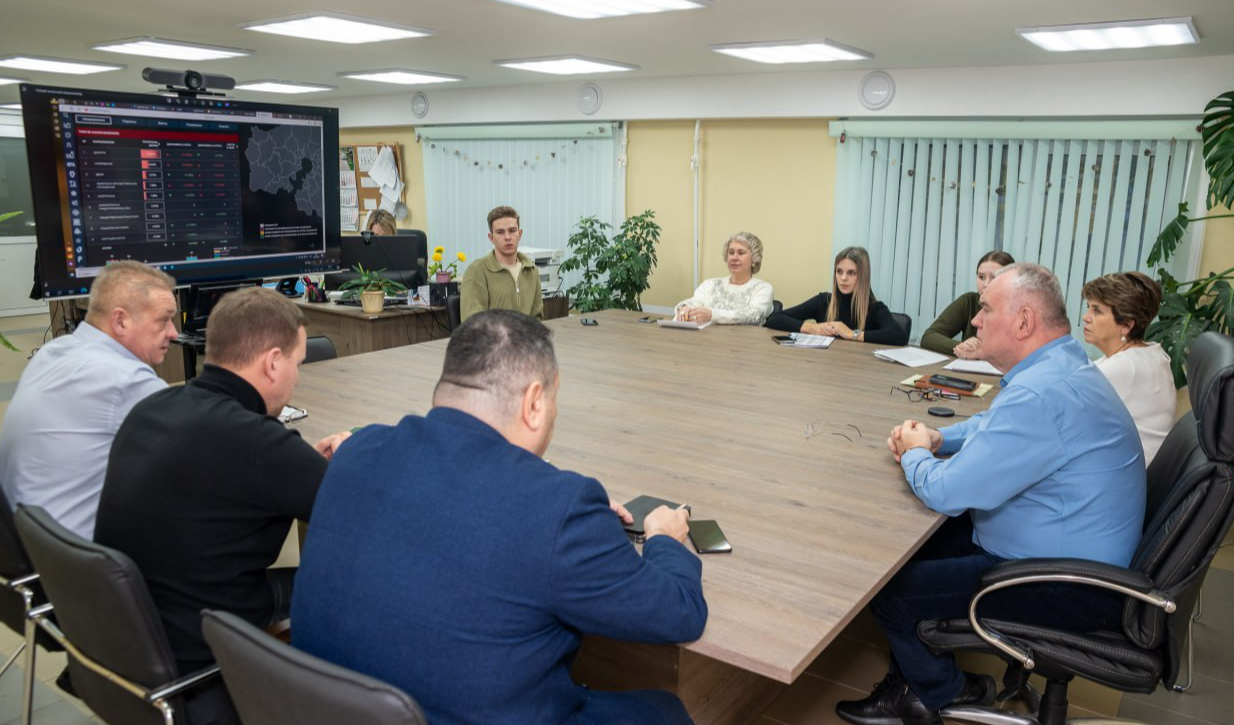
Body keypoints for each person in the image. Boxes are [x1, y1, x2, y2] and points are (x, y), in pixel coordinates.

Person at [293, 310, 706, 725]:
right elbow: (680, 612)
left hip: (324, 710)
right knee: (664, 711)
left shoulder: (357, 450)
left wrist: (561, 508)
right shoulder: (560, 509)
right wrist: (663, 538)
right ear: (533, 403)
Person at [836, 264, 1145, 725]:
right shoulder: (1060, 364)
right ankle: (918, 681)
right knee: (898, 557)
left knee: (889, 591)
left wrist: (917, 454)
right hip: (1062, 549)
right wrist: (942, 438)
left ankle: (943, 692)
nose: (976, 320)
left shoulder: (1043, 395)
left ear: (1023, 322)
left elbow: (946, 492)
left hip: (1064, 582)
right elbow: (993, 423)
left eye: (985, 308)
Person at [94, 287, 351, 678]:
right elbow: (364, 509)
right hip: (200, 652)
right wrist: (351, 458)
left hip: (125, 645)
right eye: (298, 363)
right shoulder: (260, 443)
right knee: (350, 586)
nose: (297, 378)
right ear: (273, 363)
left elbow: (237, 476)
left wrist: (299, 465)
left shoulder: (153, 407)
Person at [0, 261, 177, 540]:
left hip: (29, 542)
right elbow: (194, 456)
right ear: (120, 321)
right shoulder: (126, 379)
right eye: (163, 319)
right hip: (80, 560)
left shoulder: (54, 351)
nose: (173, 333)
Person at [1082, 271, 1176, 465]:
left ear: (1126, 325)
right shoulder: (1151, 353)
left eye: (1097, 310)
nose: (1086, 317)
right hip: (1129, 471)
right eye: (1088, 307)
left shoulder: (1125, 368)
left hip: (1125, 481)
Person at [765, 246, 907, 344]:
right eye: (839, 271)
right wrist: (812, 328)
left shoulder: (875, 308)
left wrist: (852, 334)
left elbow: (898, 336)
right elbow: (774, 319)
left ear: (863, 276)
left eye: (851, 273)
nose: (843, 278)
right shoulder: (824, 301)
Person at [919, 250, 1015, 357]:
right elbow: (929, 337)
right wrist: (963, 347)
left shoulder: (1018, 308)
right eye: (981, 277)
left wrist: (981, 352)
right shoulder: (969, 301)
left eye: (994, 277)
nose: (986, 284)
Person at [460, 205, 543, 322]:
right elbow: (474, 323)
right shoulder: (477, 271)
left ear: (520, 234)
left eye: (512, 231)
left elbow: (537, 319)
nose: (508, 237)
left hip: (525, 339)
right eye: (500, 232)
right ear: (491, 237)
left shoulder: (531, 270)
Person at [674, 232, 774, 325]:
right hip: (704, 340)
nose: (734, 258)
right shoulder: (710, 284)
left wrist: (712, 315)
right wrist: (685, 308)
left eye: (741, 253)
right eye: (731, 252)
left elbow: (753, 315)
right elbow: (695, 301)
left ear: (754, 259)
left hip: (743, 342)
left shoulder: (763, 288)